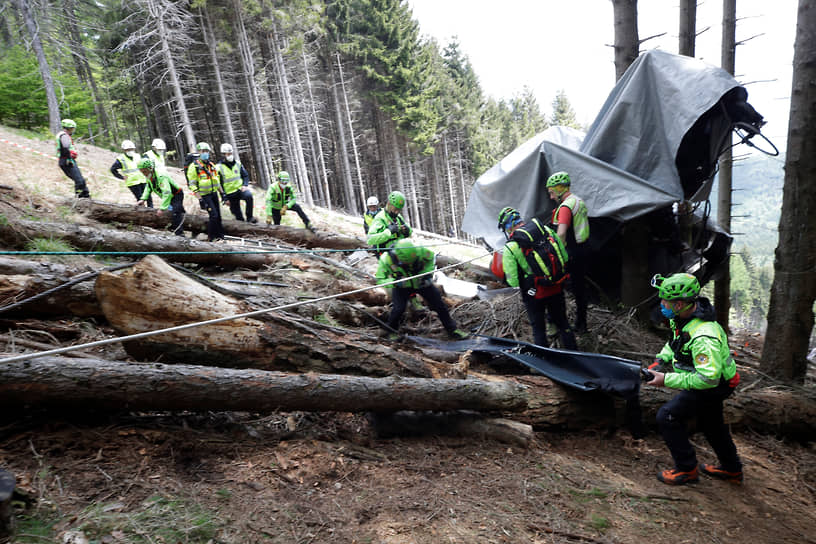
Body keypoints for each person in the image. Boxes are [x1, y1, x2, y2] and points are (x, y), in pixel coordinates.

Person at [644, 273, 742, 486]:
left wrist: (666, 379)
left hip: (714, 384)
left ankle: (686, 470)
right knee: (711, 424)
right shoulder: (684, 317)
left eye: (665, 301)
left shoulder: (704, 336)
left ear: (678, 304)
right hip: (713, 380)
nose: (661, 304)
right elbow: (675, 342)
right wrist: (662, 359)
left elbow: (708, 380)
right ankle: (732, 469)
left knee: (667, 416)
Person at [497, 206, 577, 350]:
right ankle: (574, 352)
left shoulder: (511, 246)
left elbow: (512, 280)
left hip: (533, 293)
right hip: (556, 284)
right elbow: (563, 256)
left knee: (538, 328)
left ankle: (543, 361)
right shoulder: (545, 230)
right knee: (563, 322)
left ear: (508, 227)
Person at [375, 239, 469, 340]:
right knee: (398, 309)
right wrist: (395, 281)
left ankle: (452, 329)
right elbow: (380, 279)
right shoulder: (386, 259)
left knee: (439, 304)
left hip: (421, 283)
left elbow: (431, 260)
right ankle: (391, 331)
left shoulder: (420, 251)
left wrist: (427, 273)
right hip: (402, 287)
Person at [546, 171, 590, 332]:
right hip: (583, 249)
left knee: (555, 286)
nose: (551, 197)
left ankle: (556, 323)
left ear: (559, 189)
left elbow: (562, 233)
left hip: (570, 251)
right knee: (580, 289)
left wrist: (553, 252)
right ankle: (581, 324)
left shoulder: (565, 207)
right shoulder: (578, 201)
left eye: (551, 192)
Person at [137, 157, 186, 236]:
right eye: (142, 172)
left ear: (150, 168)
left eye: (144, 171)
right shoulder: (150, 176)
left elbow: (167, 193)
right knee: (176, 210)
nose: (144, 173)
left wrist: (162, 208)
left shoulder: (161, 176)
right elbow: (148, 187)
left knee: (175, 212)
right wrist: (143, 199)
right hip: (169, 196)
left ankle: (180, 234)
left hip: (176, 194)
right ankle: (186, 221)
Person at [186, 142, 225, 242]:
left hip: (213, 193)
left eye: (207, 151)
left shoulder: (211, 165)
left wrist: (222, 193)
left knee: (218, 216)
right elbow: (192, 185)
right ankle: (211, 238)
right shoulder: (194, 167)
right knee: (213, 215)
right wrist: (200, 199)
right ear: (199, 152)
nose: (205, 153)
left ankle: (220, 236)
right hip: (204, 195)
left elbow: (216, 180)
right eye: (203, 151)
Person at [217, 143, 256, 223]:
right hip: (230, 194)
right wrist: (224, 198)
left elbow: (245, 175)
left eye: (231, 153)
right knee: (239, 218)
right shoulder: (218, 167)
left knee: (249, 196)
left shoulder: (238, 164)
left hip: (240, 190)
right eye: (228, 154)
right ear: (223, 155)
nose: (230, 155)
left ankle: (250, 217)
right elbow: (218, 184)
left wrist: (245, 185)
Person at [55, 119, 90, 198]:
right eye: (72, 129)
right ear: (69, 128)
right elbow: (65, 146)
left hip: (66, 160)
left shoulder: (62, 135)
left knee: (81, 181)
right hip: (67, 160)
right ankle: (80, 199)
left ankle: (86, 197)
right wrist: (69, 158)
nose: (73, 131)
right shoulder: (64, 135)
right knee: (79, 181)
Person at [111, 140, 150, 207]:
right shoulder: (121, 159)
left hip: (143, 180)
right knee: (140, 199)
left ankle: (151, 211)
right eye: (128, 149)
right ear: (124, 150)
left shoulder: (137, 156)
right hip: (132, 183)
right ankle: (143, 213)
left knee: (148, 197)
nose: (130, 151)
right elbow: (113, 169)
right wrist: (121, 177)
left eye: (131, 149)